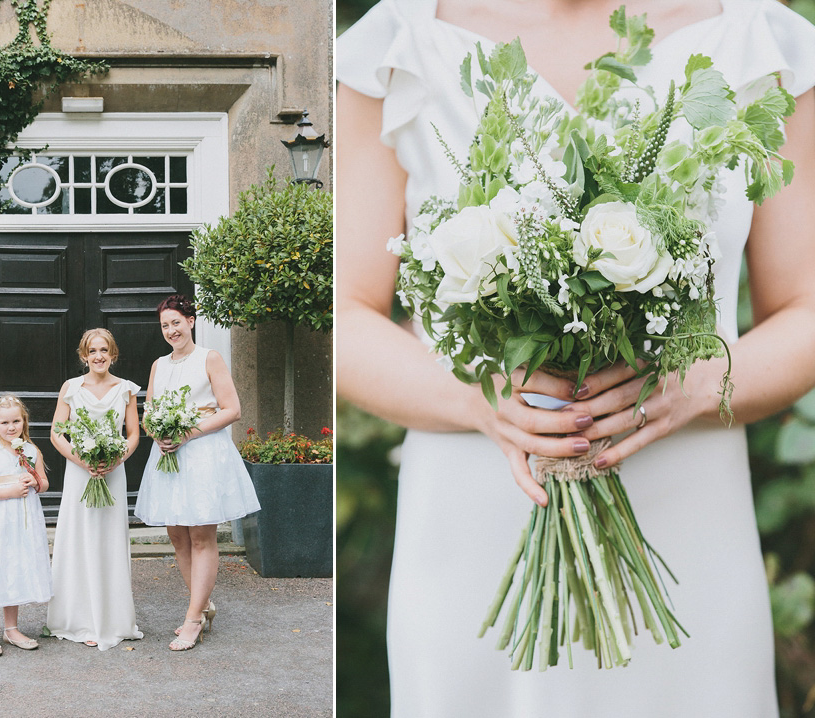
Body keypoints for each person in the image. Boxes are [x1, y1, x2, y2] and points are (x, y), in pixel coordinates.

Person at [336, 0, 815, 715]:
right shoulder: (397, 44)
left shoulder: (759, 41)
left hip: (689, 517)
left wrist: (695, 386)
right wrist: (476, 398)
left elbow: (806, 308)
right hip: (471, 517)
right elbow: (344, 314)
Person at [134, 294, 261, 652]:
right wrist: (158, 432)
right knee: (177, 536)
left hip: (204, 454)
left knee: (202, 535)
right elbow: (149, 411)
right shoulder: (159, 365)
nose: (171, 330)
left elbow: (232, 409)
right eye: (165, 326)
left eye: (176, 322)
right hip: (169, 457)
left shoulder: (210, 358)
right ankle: (203, 606)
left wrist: (187, 432)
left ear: (191, 321)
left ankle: (193, 620)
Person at [46, 328, 143, 650]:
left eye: (104, 350)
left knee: (109, 541)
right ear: (84, 355)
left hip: (113, 474)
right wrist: (81, 460)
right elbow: (57, 434)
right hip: (80, 473)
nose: (98, 356)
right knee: (79, 539)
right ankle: (78, 618)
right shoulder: (71, 388)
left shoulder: (126, 390)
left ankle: (111, 620)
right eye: (92, 351)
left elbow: (132, 434)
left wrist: (116, 459)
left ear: (113, 355)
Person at [0, 395, 52, 657]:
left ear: (23, 422)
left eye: (16, 421)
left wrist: (34, 480)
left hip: (23, 520)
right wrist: (11, 492)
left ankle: (12, 628)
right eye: (5, 422)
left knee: (15, 566)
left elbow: (44, 484)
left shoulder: (30, 450)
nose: (11, 427)